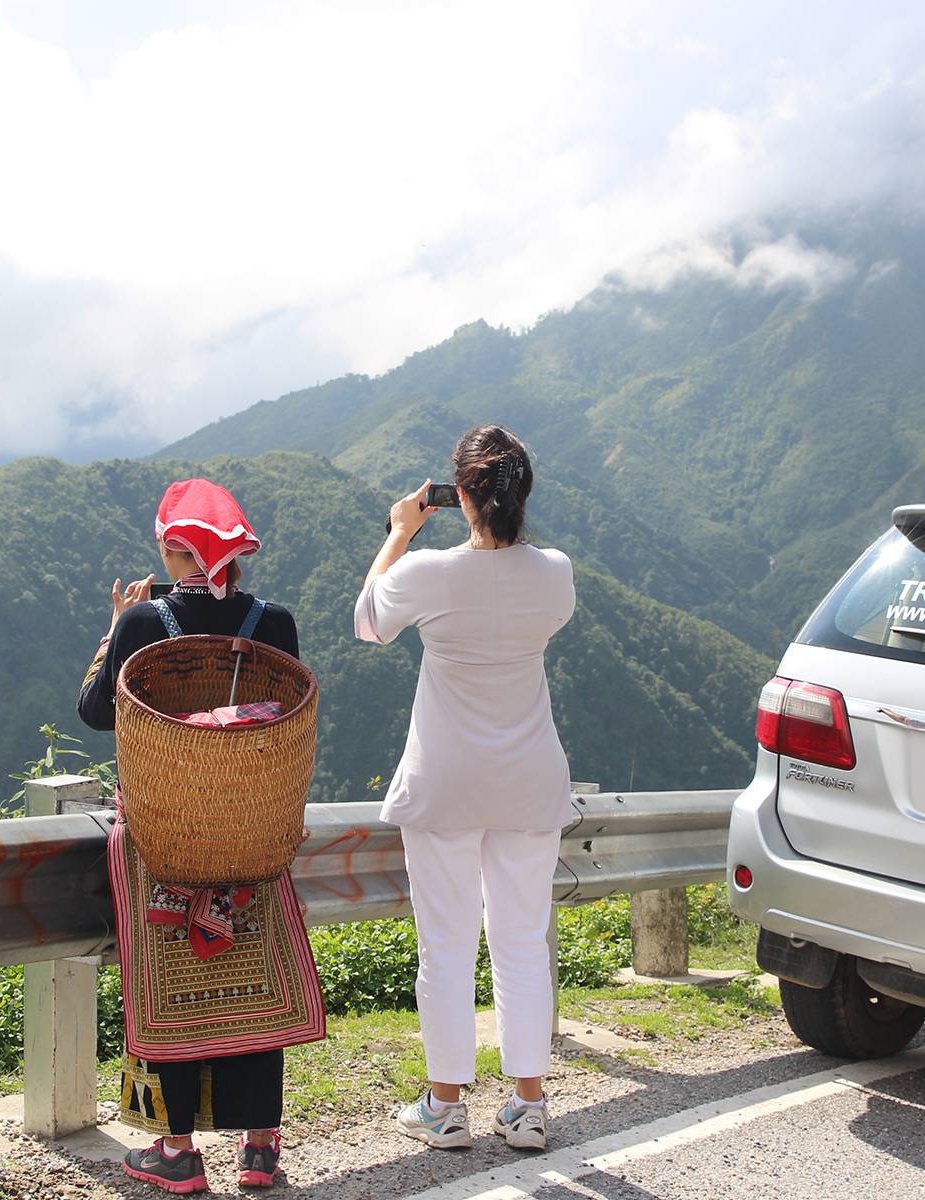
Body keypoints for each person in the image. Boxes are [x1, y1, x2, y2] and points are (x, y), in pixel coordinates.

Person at [78, 478, 322, 1193]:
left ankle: (178, 1150)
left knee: (167, 982)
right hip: (252, 830)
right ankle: (260, 1147)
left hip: (163, 835)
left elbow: (99, 713)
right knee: (253, 981)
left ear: (170, 546)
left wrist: (112, 631)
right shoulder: (274, 620)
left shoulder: (141, 624)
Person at [353, 424, 576, 1152]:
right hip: (530, 783)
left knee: (445, 947)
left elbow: (369, 623)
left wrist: (398, 532)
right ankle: (529, 1106)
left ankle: (445, 1107)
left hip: (446, 784)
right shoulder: (556, 574)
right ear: (523, 493)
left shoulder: (430, 574)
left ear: (463, 494)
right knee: (521, 943)